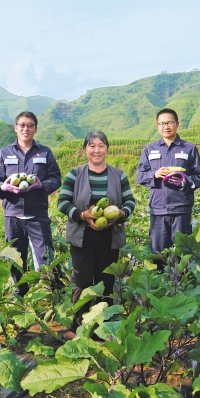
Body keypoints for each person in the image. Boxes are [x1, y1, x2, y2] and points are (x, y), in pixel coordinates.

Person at [57, 131, 135, 334]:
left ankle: (103, 328)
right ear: (85, 149)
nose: (97, 150)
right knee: (82, 283)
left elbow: (130, 202)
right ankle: (79, 326)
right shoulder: (75, 174)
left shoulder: (119, 175)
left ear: (107, 148)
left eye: (101, 145)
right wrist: (83, 215)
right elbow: (62, 202)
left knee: (106, 283)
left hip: (109, 237)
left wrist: (120, 215)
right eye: (92, 146)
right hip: (82, 238)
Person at [0, 111, 61, 294]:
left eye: (30, 125)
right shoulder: (4, 153)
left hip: (37, 215)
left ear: (35, 129)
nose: (26, 128)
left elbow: (56, 178)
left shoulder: (45, 152)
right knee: (15, 258)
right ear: (15, 128)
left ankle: (51, 294)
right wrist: (4, 187)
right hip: (12, 215)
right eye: (22, 125)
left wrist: (41, 185)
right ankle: (20, 296)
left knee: (46, 257)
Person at [136, 108, 200, 268]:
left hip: (181, 209)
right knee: (158, 255)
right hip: (158, 209)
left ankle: (181, 288)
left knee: (181, 255)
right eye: (161, 123)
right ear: (157, 126)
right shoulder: (150, 149)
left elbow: (199, 178)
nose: (165, 126)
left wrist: (185, 181)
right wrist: (154, 174)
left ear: (177, 124)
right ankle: (161, 288)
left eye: (169, 123)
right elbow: (140, 176)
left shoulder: (189, 148)